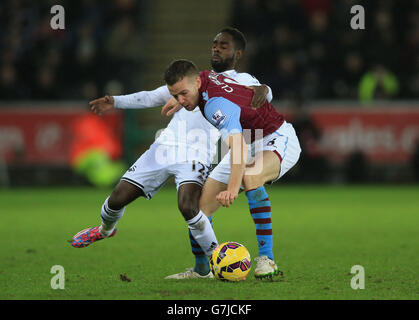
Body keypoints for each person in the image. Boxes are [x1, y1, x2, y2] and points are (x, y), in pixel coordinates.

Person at [70, 27, 273, 279]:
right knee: (116, 199)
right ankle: (104, 230)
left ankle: (214, 263)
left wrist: (265, 89)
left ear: (238, 53)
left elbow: (262, 94)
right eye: (214, 45)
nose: (216, 49)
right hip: (163, 149)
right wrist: (116, 101)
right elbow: (149, 97)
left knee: (188, 207)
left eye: (224, 46)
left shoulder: (242, 81)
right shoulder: (191, 81)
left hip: (196, 155)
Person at [163, 59, 301, 279]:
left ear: (197, 83)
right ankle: (202, 270)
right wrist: (181, 101)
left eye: (183, 94)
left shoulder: (215, 106)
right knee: (198, 210)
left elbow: (237, 149)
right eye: (175, 94)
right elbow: (240, 144)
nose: (180, 99)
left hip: (274, 136)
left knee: (251, 175)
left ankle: (267, 259)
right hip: (247, 140)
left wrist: (233, 188)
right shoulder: (203, 78)